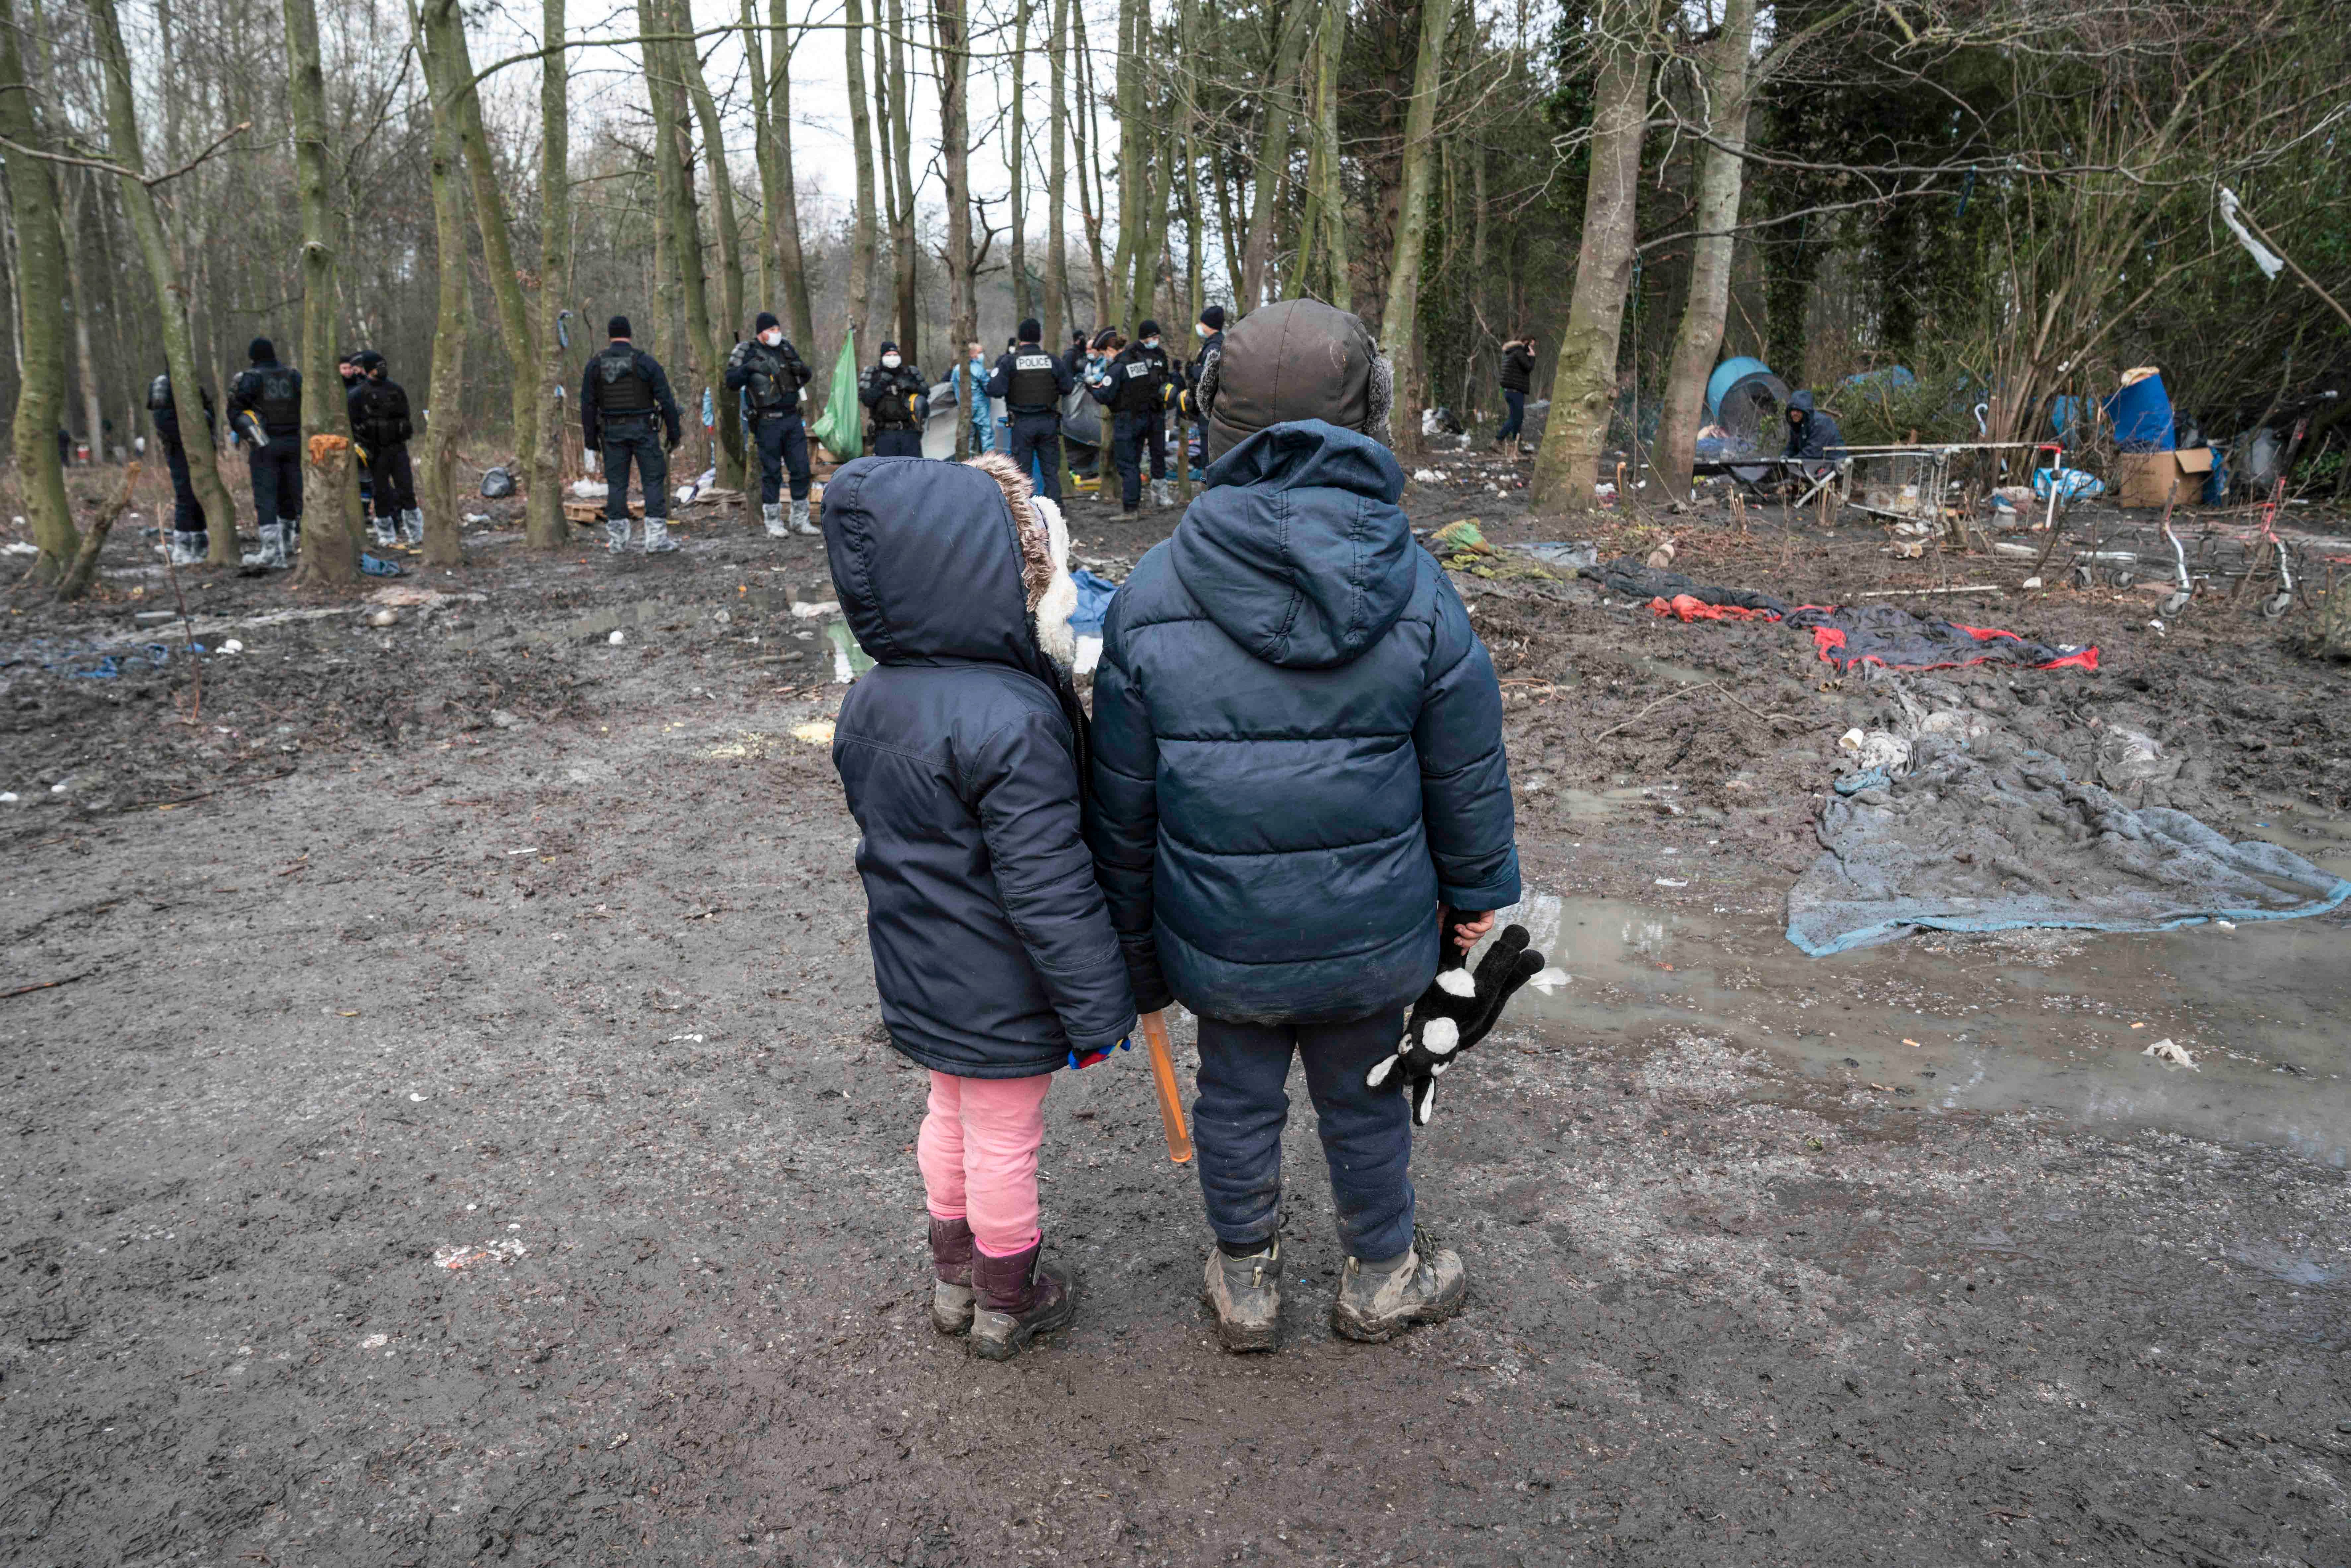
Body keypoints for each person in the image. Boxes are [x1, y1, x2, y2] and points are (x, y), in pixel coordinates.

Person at [1089, 297, 1518, 1353]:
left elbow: (1123, 805)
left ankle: (1246, 1281)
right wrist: (1477, 898)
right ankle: (1382, 1272)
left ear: (1213, 420)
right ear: (1365, 413)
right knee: (1370, 1097)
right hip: (1372, 938)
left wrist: (1138, 951)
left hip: (1221, 936)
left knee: (1235, 1102)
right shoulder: (1419, 590)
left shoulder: (1148, 597)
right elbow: (1463, 767)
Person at [825, 450, 1135, 1360]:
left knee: (946, 1110)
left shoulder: (870, 697)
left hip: (918, 964)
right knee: (1003, 1131)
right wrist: (1097, 1003)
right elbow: (1046, 882)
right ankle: (1009, 1293)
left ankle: (950, 1275)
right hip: (1000, 980)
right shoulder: (1011, 715)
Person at [580, 315, 684, 554]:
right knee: (653, 481)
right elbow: (666, 400)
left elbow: (587, 405)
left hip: (612, 432)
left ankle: (618, 541)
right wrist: (674, 432)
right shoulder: (646, 363)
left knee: (617, 484)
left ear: (609, 335)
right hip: (644, 431)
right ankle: (656, 539)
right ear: (630, 333)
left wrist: (590, 441)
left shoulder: (595, 365)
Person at [724, 311, 817, 537]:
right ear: (761, 332)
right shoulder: (746, 351)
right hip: (767, 421)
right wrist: (748, 369)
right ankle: (773, 521)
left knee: (801, 469)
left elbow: (805, 374)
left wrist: (801, 371)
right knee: (772, 472)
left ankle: (800, 519)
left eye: (778, 328)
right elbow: (731, 381)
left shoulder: (786, 349)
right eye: (771, 329)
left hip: (793, 419)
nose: (776, 333)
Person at [227, 337, 304, 569]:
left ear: (253, 357)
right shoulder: (294, 376)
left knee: (266, 496)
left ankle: (272, 552)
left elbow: (235, 413)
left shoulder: (250, 379)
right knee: (294, 493)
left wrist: (252, 435)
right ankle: (290, 543)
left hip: (265, 444)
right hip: (295, 441)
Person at [988, 318, 1077, 502]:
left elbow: (995, 390)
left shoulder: (1010, 362)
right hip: (1049, 423)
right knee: (1051, 472)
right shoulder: (1052, 361)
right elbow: (1069, 388)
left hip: (1022, 424)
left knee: (1022, 474)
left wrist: (1001, 367)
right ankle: (1058, 513)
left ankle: (1026, 516)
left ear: (1021, 338)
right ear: (1040, 337)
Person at [1091, 320, 1173, 513]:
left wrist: (1091, 388)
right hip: (1143, 417)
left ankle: (1130, 508)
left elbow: (1105, 395)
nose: (1105, 357)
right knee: (1134, 464)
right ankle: (1134, 504)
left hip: (1127, 421)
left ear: (1109, 350)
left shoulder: (1119, 367)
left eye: (1104, 353)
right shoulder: (1138, 363)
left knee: (1128, 464)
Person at [347, 350, 420, 549]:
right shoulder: (357, 395)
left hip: (398, 449)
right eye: (378, 367)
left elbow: (406, 418)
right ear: (369, 369)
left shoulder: (396, 391)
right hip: (374, 451)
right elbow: (353, 425)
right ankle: (386, 535)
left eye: (384, 366)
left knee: (406, 490)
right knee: (381, 493)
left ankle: (416, 533)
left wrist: (401, 431)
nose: (383, 370)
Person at [147, 371, 217, 566]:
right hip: (179, 449)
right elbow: (163, 422)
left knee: (199, 493)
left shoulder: (192, 385)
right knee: (185, 494)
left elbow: (209, 414)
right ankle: (184, 546)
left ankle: (199, 543)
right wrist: (184, 439)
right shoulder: (164, 385)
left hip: (198, 448)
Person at [861, 341, 927, 458]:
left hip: (910, 432)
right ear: (882, 357)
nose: (893, 358)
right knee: (886, 471)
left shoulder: (910, 373)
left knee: (914, 470)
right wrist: (882, 384)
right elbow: (867, 400)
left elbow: (926, 394)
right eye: (889, 355)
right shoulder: (873, 374)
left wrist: (911, 386)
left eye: (895, 354)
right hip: (884, 433)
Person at [954, 340, 997, 455]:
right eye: (980, 352)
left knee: (968, 438)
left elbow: (955, 388)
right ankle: (991, 466)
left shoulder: (957, 369)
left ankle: (967, 465)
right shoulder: (978, 369)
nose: (981, 355)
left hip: (964, 408)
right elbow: (989, 388)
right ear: (973, 354)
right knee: (987, 436)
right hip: (981, 407)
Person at [1495, 334, 1535, 455]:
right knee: (1515, 419)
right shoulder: (1519, 353)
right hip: (1515, 391)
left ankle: (1516, 445)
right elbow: (1528, 368)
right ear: (1526, 343)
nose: (1532, 349)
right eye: (1531, 346)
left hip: (1510, 390)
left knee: (1518, 418)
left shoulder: (1511, 352)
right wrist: (1533, 357)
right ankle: (1498, 441)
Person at [1783, 390, 1845, 467]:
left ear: (1805, 412)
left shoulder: (1821, 423)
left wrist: (1791, 464)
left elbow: (1813, 451)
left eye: (1798, 411)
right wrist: (1785, 457)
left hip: (1833, 463)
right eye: (1792, 410)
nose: (1795, 414)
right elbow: (1792, 446)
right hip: (1814, 462)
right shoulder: (1797, 424)